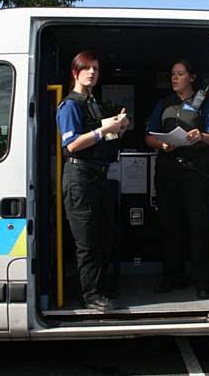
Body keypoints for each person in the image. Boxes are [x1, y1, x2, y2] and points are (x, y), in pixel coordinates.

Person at [56, 51, 129, 312]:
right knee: (86, 241)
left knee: (101, 237)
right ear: (75, 73)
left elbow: (100, 139)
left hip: (97, 176)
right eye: (87, 69)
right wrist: (104, 130)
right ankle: (90, 294)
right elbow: (72, 144)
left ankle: (99, 288)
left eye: (96, 69)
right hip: (79, 178)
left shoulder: (92, 103)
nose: (92, 73)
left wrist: (118, 128)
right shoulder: (70, 105)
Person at [145, 59, 209, 299]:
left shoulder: (205, 105)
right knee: (170, 225)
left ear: (192, 77)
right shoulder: (164, 104)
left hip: (197, 173)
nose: (174, 78)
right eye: (172, 74)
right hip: (168, 171)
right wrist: (162, 144)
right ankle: (173, 277)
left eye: (180, 74)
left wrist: (201, 136)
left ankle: (203, 280)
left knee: (198, 227)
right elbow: (149, 137)